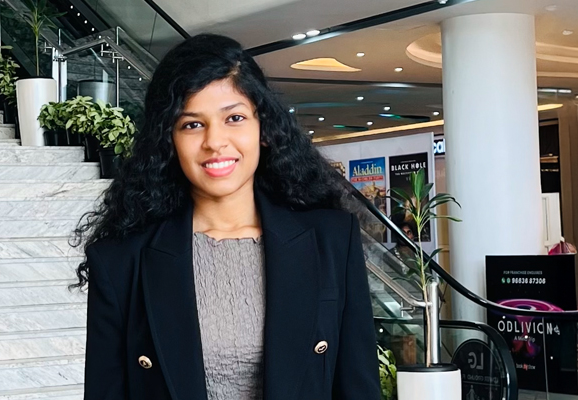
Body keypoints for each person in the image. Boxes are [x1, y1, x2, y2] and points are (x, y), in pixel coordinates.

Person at [73, 34, 380, 400]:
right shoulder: (121, 259)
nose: (215, 142)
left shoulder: (332, 239)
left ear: (263, 128)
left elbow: (358, 388)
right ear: (168, 139)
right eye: (192, 124)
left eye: (234, 118)